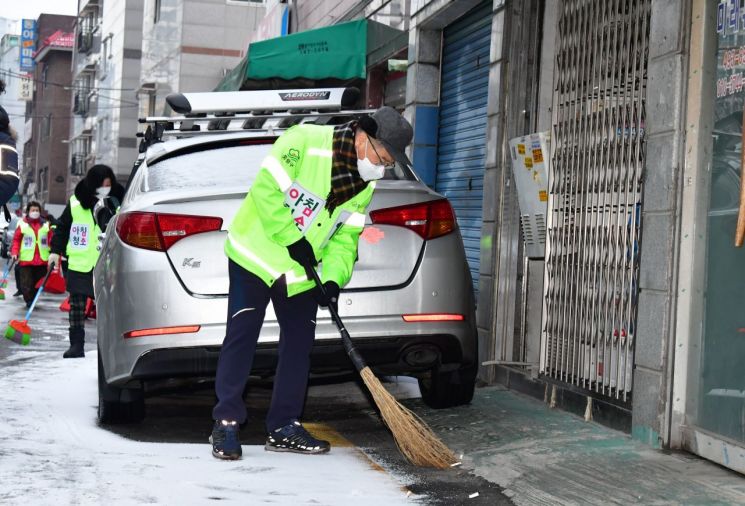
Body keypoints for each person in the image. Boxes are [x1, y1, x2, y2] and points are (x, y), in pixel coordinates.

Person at [210, 107, 413, 460]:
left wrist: (333, 278)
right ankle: (226, 422)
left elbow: (346, 238)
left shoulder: (364, 185)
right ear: (363, 137)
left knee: (299, 345)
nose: (382, 167)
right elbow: (266, 189)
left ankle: (284, 425)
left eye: (389, 163)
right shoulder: (304, 140)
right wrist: (291, 237)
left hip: (300, 270)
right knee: (242, 336)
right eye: (383, 157)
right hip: (255, 255)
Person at [50, 164, 124, 358]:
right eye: (102, 184)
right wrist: (55, 251)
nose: (105, 188)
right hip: (79, 263)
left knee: (108, 308)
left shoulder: (117, 202)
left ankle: (110, 348)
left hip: (106, 262)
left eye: (108, 184)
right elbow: (62, 228)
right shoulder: (75, 202)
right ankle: (76, 344)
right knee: (76, 306)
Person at [11, 201, 52, 307]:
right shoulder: (23, 225)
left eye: (37, 210)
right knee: (26, 284)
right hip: (27, 260)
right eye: (33, 210)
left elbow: (51, 239)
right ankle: (29, 301)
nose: (35, 212)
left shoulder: (46, 225)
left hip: (42, 260)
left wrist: (55, 252)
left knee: (38, 284)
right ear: (28, 211)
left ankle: (33, 299)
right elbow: (16, 240)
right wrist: (15, 252)